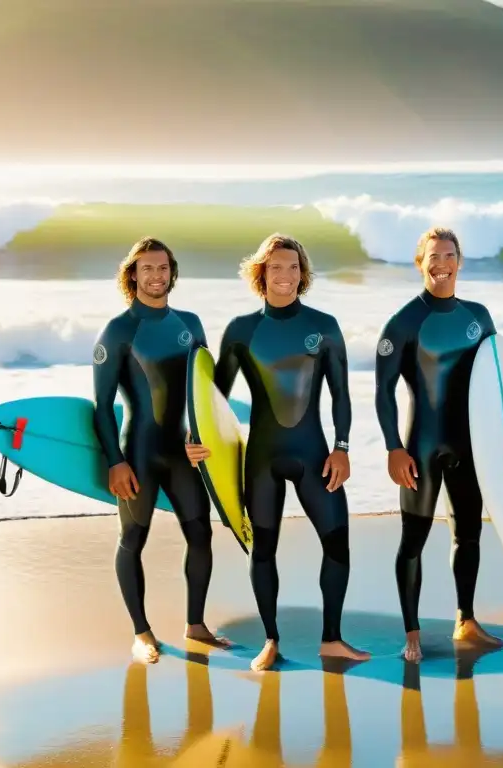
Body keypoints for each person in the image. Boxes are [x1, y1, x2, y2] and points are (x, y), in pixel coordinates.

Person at [185, 233, 369, 671]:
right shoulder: (241, 330)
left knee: (338, 543)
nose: (284, 276)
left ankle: (332, 639)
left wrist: (342, 447)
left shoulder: (323, 326)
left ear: (302, 274)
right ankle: (271, 641)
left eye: (292, 267)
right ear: (260, 274)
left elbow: (341, 393)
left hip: (314, 454)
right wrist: (197, 442)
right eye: (275, 267)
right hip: (263, 457)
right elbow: (214, 402)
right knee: (263, 549)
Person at [92, 236, 229, 664]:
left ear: (172, 272)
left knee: (201, 535)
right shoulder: (118, 331)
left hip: (183, 452)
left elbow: (205, 394)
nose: (156, 275)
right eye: (146, 268)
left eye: (162, 267)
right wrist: (115, 461)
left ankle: (196, 624)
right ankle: (142, 632)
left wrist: (201, 436)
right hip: (141, 451)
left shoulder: (190, 322)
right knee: (134, 537)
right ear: (132, 275)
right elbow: (102, 405)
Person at [374, 226, 503, 663]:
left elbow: (498, 381)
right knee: (414, 539)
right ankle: (411, 632)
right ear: (420, 262)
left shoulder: (480, 316)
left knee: (468, 535)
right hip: (422, 447)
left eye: (449, 255)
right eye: (433, 256)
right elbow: (382, 390)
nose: (442, 263)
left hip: (469, 446)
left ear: (460, 261)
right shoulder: (403, 322)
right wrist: (394, 447)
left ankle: (465, 620)